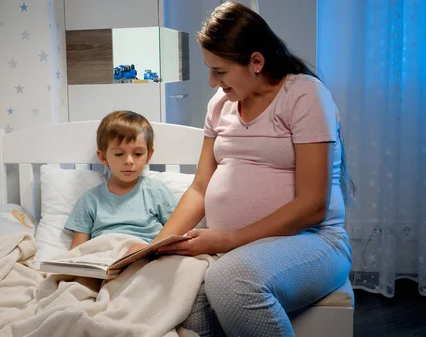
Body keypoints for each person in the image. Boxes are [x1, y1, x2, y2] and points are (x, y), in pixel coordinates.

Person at [124, 2, 355, 336]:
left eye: (219, 71)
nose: (211, 81)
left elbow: (312, 206)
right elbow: (201, 187)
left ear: (256, 62)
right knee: (171, 312)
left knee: (231, 282)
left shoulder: (304, 96)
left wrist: (229, 240)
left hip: (315, 242)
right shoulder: (220, 105)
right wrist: (155, 248)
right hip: (237, 251)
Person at [64, 110, 178, 250]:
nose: (129, 161)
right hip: (104, 258)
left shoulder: (156, 191)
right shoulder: (90, 200)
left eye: (137, 154)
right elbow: (77, 249)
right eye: (119, 154)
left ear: (148, 156)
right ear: (103, 157)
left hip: (145, 257)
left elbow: (177, 232)